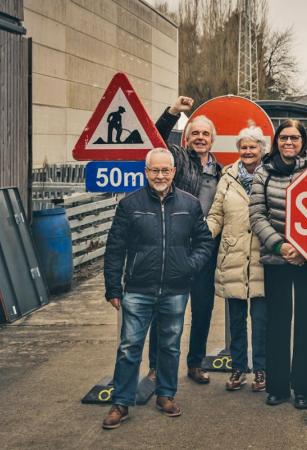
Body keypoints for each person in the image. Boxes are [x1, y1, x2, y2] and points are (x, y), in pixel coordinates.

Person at [102, 148, 214, 429]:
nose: (160, 175)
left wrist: (189, 266)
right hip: (138, 289)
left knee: (170, 346)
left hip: (176, 290)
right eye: (155, 170)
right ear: (146, 172)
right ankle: (122, 402)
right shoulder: (130, 205)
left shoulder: (189, 205)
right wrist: (113, 286)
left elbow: (204, 241)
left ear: (174, 172)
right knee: (129, 347)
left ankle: (165, 395)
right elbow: (115, 248)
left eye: (166, 170)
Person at [147, 96, 222, 385]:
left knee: (202, 309)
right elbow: (156, 140)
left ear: (212, 140)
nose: (200, 138)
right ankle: (156, 366)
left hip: (204, 249)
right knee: (165, 308)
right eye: (195, 133)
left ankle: (196, 363)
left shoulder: (219, 169)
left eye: (205, 134)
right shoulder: (176, 159)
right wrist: (172, 112)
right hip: (175, 245)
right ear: (187, 137)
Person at [249, 119, 307, 409]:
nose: (289, 142)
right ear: (276, 141)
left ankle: (303, 387)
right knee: (276, 323)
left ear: (303, 141)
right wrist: (280, 245)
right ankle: (278, 387)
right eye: (284, 138)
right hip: (275, 258)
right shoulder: (263, 173)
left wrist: (304, 249)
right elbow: (257, 214)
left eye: (294, 137)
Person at [206, 126, 266, 392]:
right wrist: (203, 234)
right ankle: (238, 368)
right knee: (237, 321)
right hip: (233, 255)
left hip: (262, 257)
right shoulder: (228, 177)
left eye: (253, 147)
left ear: (262, 149)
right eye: (244, 147)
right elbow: (216, 213)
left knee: (262, 320)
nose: (248, 151)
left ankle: (262, 370)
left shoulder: (269, 174)